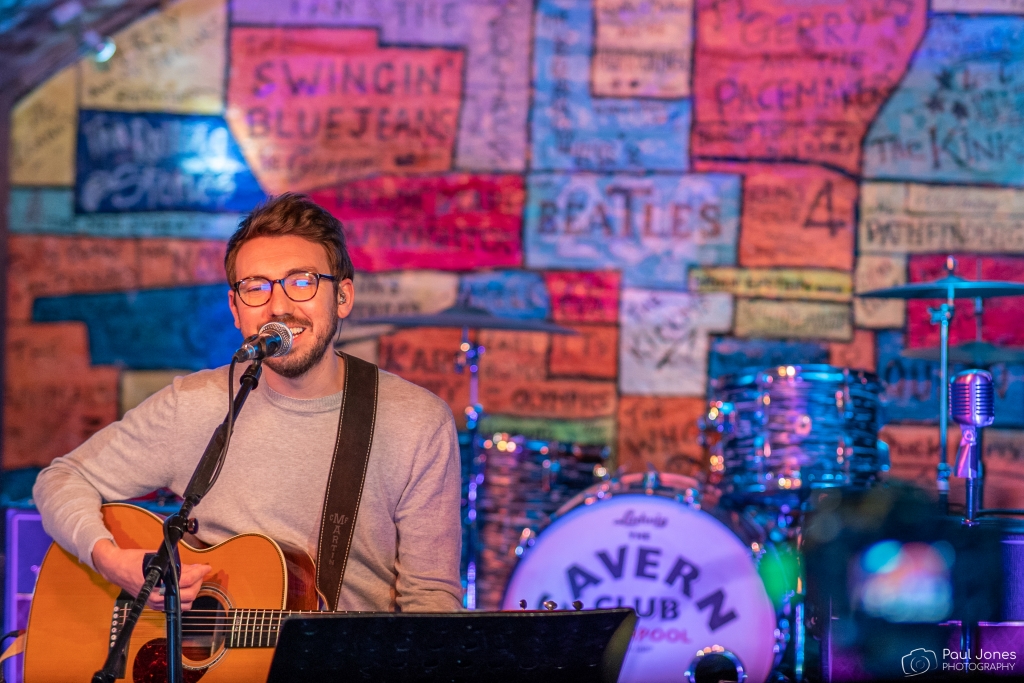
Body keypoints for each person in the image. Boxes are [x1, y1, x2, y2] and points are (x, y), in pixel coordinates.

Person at [32, 193, 463, 613]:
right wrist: (111, 561)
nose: (278, 306)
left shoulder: (415, 422)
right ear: (236, 309)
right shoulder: (193, 406)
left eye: (301, 282)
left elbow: (431, 602)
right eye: (256, 287)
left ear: (343, 297)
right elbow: (61, 479)